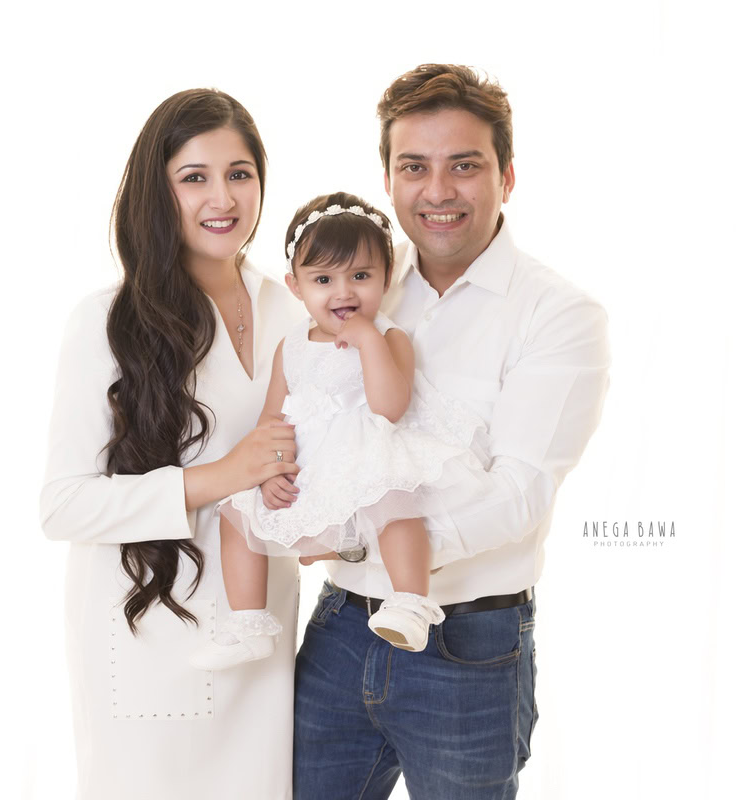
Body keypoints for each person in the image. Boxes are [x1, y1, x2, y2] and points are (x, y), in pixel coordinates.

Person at [292, 64, 612, 799]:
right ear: (388, 178)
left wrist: (353, 538)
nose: (437, 191)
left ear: (506, 176)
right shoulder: (353, 289)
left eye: (463, 166)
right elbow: (310, 413)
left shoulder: (556, 314)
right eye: (415, 167)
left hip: (468, 647)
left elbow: (519, 493)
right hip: (340, 628)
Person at [39, 89, 305, 800]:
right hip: (149, 635)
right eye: (195, 177)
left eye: (240, 173)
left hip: (261, 633)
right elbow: (62, 507)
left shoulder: (293, 307)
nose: (223, 197)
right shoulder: (108, 321)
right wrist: (221, 474)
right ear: (159, 192)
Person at [189, 192, 490, 672]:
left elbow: (390, 407)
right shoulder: (292, 344)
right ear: (296, 286)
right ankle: (247, 623)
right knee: (235, 514)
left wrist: (369, 341)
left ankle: (409, 601)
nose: (344, 292)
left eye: (361, 276)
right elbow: (274, 420)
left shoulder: (391, 336)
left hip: (370, 449)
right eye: (323, 279)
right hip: (314, 464)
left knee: (394, 501)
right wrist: (270, 474)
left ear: (386, 277)